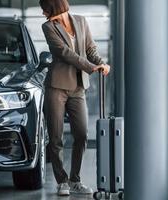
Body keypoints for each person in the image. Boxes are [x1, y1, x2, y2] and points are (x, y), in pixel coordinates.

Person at [39, 0, 110, 196]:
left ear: (55, 6)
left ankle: (75, 180)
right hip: (57, 87)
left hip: (78, 87)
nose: (42, 11)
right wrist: (90, 67)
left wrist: (101, 63)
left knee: (82, 133)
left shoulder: (80, 21)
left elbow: (90, 48)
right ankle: (62, 181)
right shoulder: (47, 27)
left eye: (45, 7)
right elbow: (64, 53)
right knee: (56, 137)